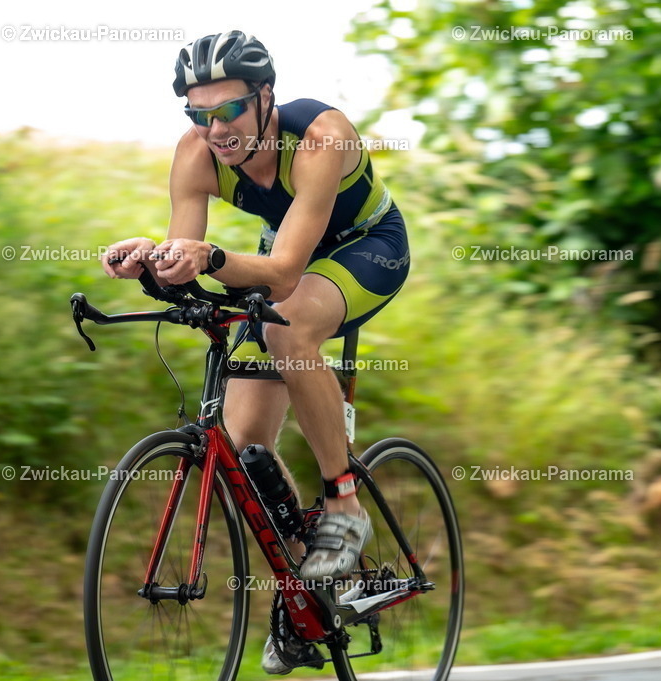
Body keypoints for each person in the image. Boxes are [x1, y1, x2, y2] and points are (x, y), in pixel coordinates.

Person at [102, 30, 410, 674]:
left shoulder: (322, 137)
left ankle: (344, 508)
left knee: (288, 327)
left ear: (265, 96)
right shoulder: (195, 154)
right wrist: (151, 263)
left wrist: (213, 257)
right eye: (198, 113)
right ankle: (308, 585)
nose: (214, 128)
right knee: (243, 454)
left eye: (228, 110)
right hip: (278, 257)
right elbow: (186, 260)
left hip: (363, 247)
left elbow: (289, 269)